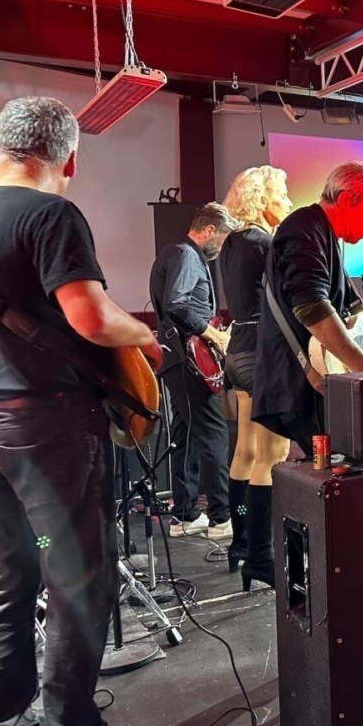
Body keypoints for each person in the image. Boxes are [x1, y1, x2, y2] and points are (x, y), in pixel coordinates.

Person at [0, 97, 165, 726]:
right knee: (74, 580)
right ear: (69, 158)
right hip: (46, 433)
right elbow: (90, 318)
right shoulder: (51, 213)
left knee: (7, 579)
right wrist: (144, 340)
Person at [253, 161, 363, 586]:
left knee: (316, 486)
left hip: (311, 386)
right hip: (300, 386)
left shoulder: (323, 236)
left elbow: (341, 323)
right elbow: (313, 311)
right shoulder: (304, 229)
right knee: (325, 491)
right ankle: (324, 584)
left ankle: (319, 579)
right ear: (346, 200)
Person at [219, 166, 293, 578]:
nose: (287, 200)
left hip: (238, 351)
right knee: (273, 454)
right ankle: (262, 559)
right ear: (264, 200)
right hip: (263, 354)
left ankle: (241, 543)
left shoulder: (232, 243)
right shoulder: (267, 242)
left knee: (246, 450)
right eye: (282, 193)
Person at [149, 202, 239, 538]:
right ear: (210, 229)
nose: (223, 247)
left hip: (178, 359)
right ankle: (221, 517)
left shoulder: (177, 253)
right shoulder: (186, 255)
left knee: (185, 435)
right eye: (224, 238)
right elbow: (177, 303)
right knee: (214, 432)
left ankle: (185, 515)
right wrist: (212, 333)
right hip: (188, 361)